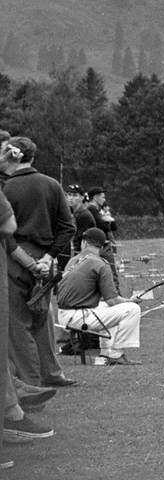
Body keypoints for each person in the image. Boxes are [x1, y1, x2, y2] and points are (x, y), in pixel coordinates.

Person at [0, 136, 77, 388]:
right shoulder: (52, 185)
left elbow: (5, 232)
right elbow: (68, 227)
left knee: (17, 323)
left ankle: (30, 381)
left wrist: (26, 261)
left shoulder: (4, 189)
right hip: (47, 261)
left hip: (14, 258)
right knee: (42, 319)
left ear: (13, 156)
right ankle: (51, 373)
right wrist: (48, 257)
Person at [1, 174, 54, 453]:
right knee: (18, 328)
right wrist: (38, 264)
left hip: (23, 263)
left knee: (23, 328)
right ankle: (16, 395)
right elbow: (8, 228)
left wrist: (34, 265)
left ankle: (19, 389)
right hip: (22, 264)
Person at [55, 228, 142, 365]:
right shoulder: (100, 264)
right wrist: (130, 301)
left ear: (84, 243)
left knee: (109, 307)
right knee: (132, 309)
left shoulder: (73, 261)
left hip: (63, 314)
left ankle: (107, 352)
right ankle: (116, 353)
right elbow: (113, 300)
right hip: (78, 316)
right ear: (102, 247)